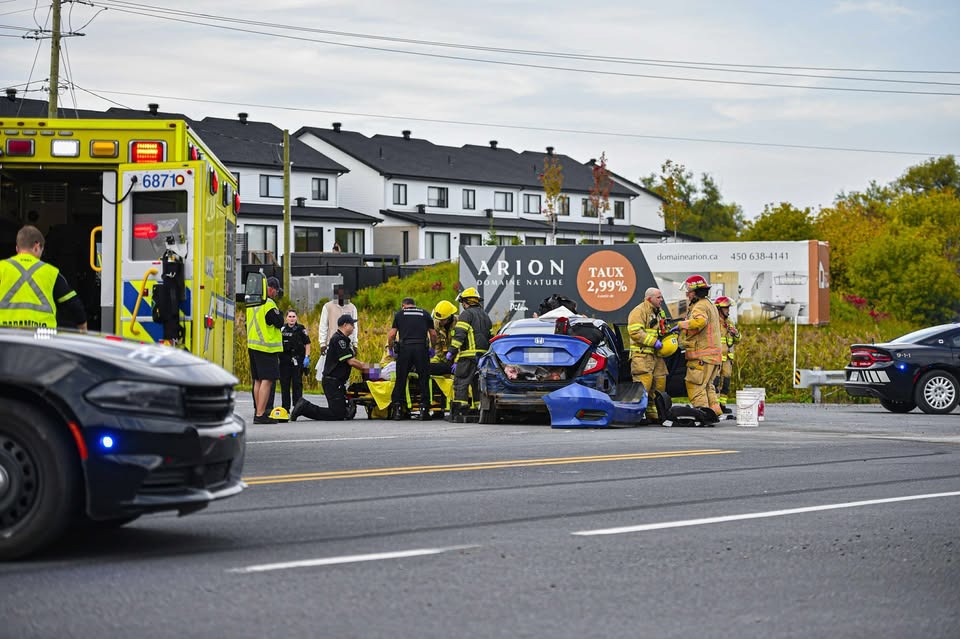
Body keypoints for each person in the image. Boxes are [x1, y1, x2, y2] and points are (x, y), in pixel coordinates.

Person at [0, 225, 87, 331]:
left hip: (5, 335)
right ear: (37, 246)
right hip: (42, 338)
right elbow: (74, 306)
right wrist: (83, 330)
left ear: (17, 248)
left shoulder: (2, 268)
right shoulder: (51, 272)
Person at [290, 314, 370, 421]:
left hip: (337, 382)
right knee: (337, 414)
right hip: (332, 381)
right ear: (345, 325)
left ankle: (306, 407)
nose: (354, 327)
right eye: (352, 325)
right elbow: (351, 361)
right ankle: (304, 407)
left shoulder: (343, 339)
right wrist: (371, 368)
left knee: (341, 413)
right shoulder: (339, 340)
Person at [676, 274, 723, 422]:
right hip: (713, 355)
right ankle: (714, 413)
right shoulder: (709, 304)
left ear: (695, 292)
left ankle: (702, 415)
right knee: (708, 386)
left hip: (702, 356)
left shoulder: (700, 306)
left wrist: (681, 325)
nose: (687, 294)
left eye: (689, 291)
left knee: (695, 385)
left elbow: (700, 322)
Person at [446, 287, 493, 422]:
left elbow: (459, 335)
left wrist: (451, 351)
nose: (462, 305)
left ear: (466, 302)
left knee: (461, 382)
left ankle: (461, 410)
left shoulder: (466, 315)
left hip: (468, 356)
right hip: (482, 357)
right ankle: (479, 409)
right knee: (476, 384)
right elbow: (490, 337)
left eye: (462, 302)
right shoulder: (485, 315)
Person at [387, 297, 438, 420]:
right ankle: (424, 410)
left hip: (405, 349)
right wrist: (432, 348)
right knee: (424, 379)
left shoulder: (399, 314)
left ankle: (398, 409)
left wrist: (391, 348)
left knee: (401, 379)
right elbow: (433, 334)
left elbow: (392, 334)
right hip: (421, 349)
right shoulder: (425, 313)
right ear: (414, 305)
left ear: (403, 305)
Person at [627, 287, 669, 422]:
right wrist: (654, 342)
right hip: (642, 356)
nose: (661, 300)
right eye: (659, 297)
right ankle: (638, 414)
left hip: (657, 357)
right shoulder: (638, 311)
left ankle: (653, 413)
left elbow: (662, 330)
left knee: (659, 383)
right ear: (649, 299)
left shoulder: (659, 313)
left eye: (661, 297)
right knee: (643, 387)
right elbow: (635, 332)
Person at [247, 276, 284, 424]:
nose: (275, 293)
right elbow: (278, 322)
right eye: (275, 290)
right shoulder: (268, 304)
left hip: (253, 346)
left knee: (257, 380)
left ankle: (258, 411)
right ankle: (261, 414)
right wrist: (280, 313)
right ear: (270, 289)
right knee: (267, 380)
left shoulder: (252, 303)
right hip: (266, 348)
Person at [317, 284, 358, 381]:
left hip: (347, 344)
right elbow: (323, 326)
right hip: (332, 344)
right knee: (331, 371)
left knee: (345, 369)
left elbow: (355, 327)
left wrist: (355, 343)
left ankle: (342, 388)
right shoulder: (328, 307)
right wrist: (322, 343)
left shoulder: (352, 307)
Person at [279, 308, 311, 412]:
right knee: (285, 384)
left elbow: (307, 343)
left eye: (293, 317)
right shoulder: (282, 329)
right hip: (284, 360)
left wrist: (307, 357)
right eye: (290, 317)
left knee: (297, 384)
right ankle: (285, 408)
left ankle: (297, 407)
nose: (292, 319)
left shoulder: (301, 328)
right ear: (286, 318)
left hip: (298, 359)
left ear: (296, 318)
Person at [713, 296, 741, 413]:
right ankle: (715, 405)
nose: (728, 310)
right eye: (726, 308)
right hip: (717, 357)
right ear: (719, 309)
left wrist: (736, 334)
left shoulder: (730, 322)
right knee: (715, 382)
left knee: (726, 383)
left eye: (728, 308)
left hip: (728, 359)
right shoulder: (714, 322)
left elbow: (737, 340)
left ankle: (723, 405)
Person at [429, 300, 458, 376]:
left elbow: (462, 345)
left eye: (443, 320)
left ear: (449, 317)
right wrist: (445, 361)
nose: (440, 321)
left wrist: (457, 361)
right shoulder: (436, 324)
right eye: (439, 319)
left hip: (459, 356)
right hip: (444, 356)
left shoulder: (459, 323)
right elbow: (438, 345)